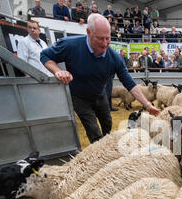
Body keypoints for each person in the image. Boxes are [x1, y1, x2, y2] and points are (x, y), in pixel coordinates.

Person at [40, 14, 160, 143]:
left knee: (108, 124)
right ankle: (98, 155)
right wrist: (58, 71)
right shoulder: (70, 45)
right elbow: (45, 56)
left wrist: (147, 104)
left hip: (100, 95)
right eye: (100, 38)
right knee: (94, 131)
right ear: (88, 32)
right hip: (79, 98)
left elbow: (129, 83)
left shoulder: (114, 58)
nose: (105, 44)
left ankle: (107, 146)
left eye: (107, 38)